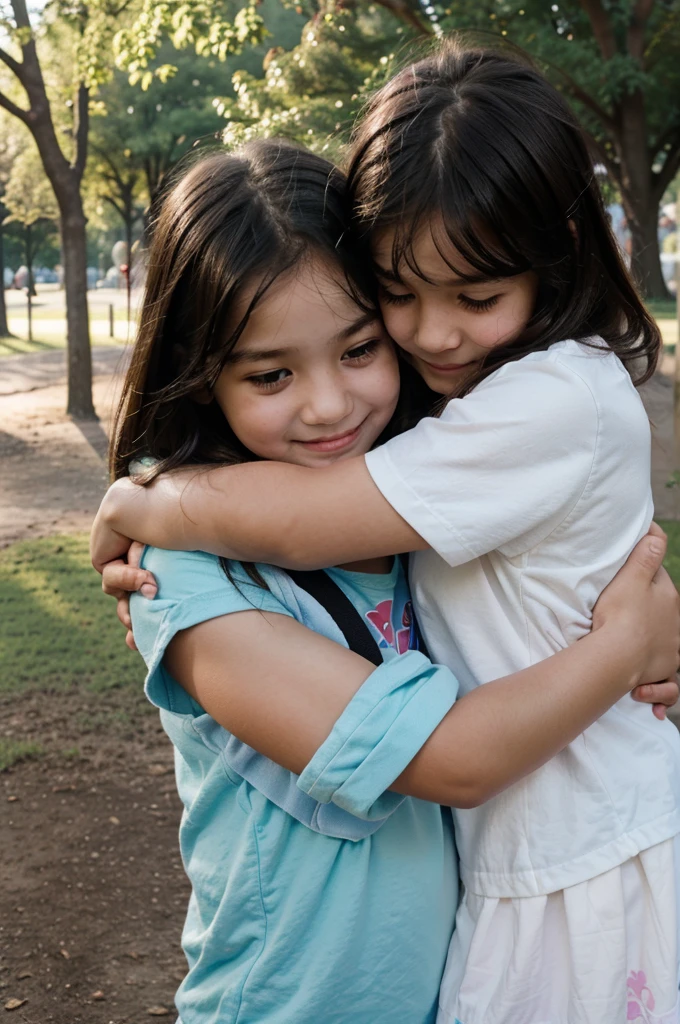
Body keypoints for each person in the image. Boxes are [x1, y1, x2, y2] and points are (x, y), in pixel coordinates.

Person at [92, 43, 680, 1024]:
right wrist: (627, 639)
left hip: (529, 908)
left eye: (360, 345)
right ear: (201, 374)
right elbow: (454, 753)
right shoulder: (191, 587)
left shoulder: (423, 496)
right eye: (269, 373)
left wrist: (141, 498)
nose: (329, 404)